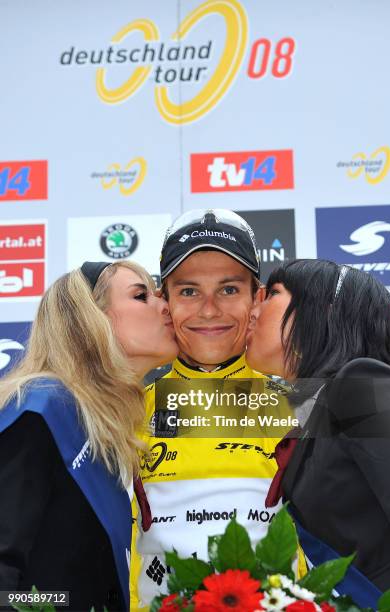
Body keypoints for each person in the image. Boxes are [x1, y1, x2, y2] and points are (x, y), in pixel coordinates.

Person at [130, 209, 303, 610]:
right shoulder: (124, 412)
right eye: (189, 291)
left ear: (257, 298)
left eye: (228, 289)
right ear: (164, 300)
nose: (209, 310)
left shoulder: (300, 406)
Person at [0, 260, 178, 611]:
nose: (166, 306)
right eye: (142, 295)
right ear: (90, 317)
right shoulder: (40, 409)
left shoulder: (111, 429)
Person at [246, 258, 390, 608]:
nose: (252, 312)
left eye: (272, 294)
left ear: (325, 311)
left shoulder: (362, 382)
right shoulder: (309, 408)